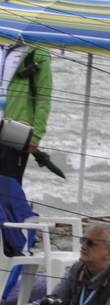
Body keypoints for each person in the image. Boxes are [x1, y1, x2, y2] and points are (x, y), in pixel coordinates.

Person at [0, 41, 52, 257]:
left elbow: (44, 97)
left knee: (9, 191)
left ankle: (12, 248)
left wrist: (36, 134)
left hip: (15, 132)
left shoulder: (37, 53)